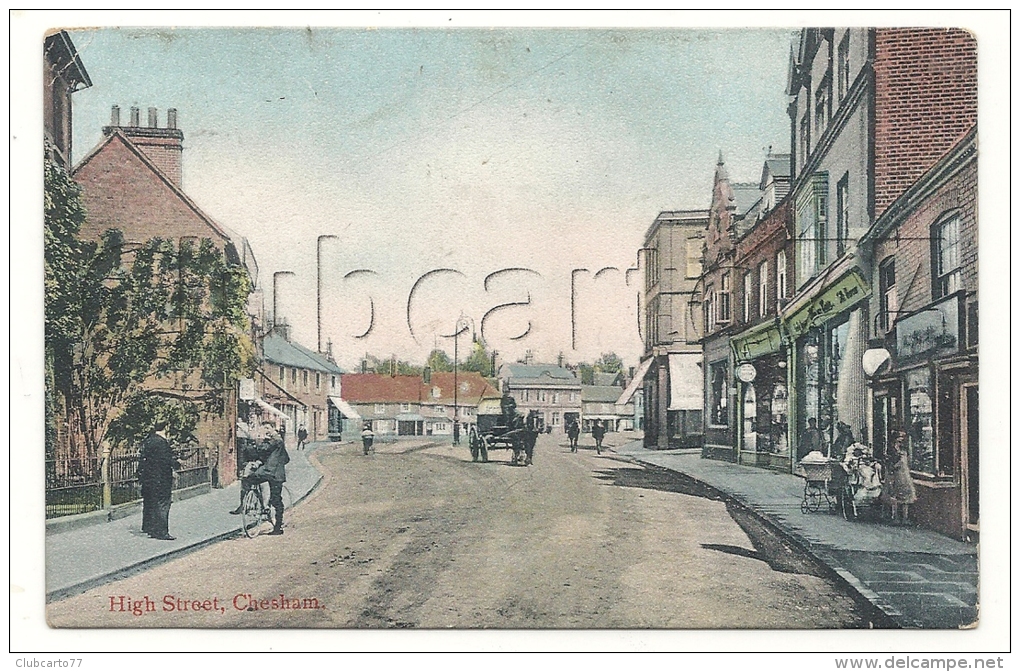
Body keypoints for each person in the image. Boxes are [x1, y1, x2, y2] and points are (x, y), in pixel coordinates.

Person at [241, 423, 290, 535]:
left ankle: (278, 527)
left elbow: (264, 449)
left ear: (273, 429)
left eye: (268, 428)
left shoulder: (277, 440)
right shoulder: (275, 441)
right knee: (249, 479)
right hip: (269, 473)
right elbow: (286, 458)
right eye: (265, 428)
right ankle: (260, 504)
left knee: (276, 500)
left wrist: (257, 440)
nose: (266, 430)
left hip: (275, 475)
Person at [138, 421, 179, 540]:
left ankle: (148, 527)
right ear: (165, 428)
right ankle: (161, 532)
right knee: (163, 503)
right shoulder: (162, 443)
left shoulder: (149, 440)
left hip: (148, 478)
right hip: (161, 479)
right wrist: (176, 464)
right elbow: (165, 461)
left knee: (150, 502)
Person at [881, 430, 917, 524]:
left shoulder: (904, 449)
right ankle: (895, 517)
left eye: (902, 439)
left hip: (904, 473)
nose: (901, 440)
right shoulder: (891, 449)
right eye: (899, 438)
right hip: (895, 474)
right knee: (895, 494)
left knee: (906, 495)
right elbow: (891, 462)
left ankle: (905, 517)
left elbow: (906, 460)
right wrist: (893, 466)